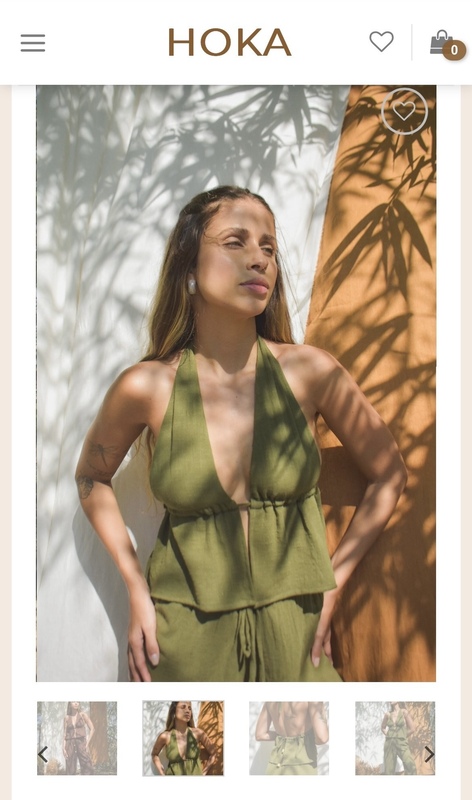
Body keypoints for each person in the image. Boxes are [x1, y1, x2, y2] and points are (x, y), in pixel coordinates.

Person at [75, 185, 407, 682]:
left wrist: (333, 585)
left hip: (299, 634)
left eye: (268, 247)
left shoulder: (312, 372)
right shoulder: (146, 386)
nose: (259, 259)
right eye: (236, 242)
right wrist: (135, 587)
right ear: (189, 267)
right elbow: (90, 478)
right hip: (184, 640)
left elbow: (390, 474)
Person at [255, 701, 328, 775]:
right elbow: (322, 738)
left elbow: (260, 734)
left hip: (275, 765)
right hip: (301, 766)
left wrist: (283, 737)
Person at [151, 701, 216, 776]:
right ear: (174, 711)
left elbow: (213, 753)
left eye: (189, 708)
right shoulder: (165, 736)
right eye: (183, 707)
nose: (187, 711)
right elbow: (154, 754)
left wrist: (204, 773)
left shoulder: (198, 733)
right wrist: (161, 772)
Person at [381, 702, 417, 775]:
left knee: (410, 766)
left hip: (402, 743)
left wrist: (403, 736)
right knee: (389, 770)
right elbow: (383, 727)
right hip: (389, 744)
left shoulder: (404, 712)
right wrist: (388, 735)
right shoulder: (387, 714)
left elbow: (412, 729)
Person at [62, 701, 95, 775]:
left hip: (81, 742)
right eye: (74, 701)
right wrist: (63, 748)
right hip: (69, 744)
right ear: (70, 704)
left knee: (87, 767)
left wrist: (87, 744)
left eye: (78, 702)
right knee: (70, 769)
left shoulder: (83, 715)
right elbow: (65, 734)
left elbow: (92, 729)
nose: (76, 703)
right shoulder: (66, 718)